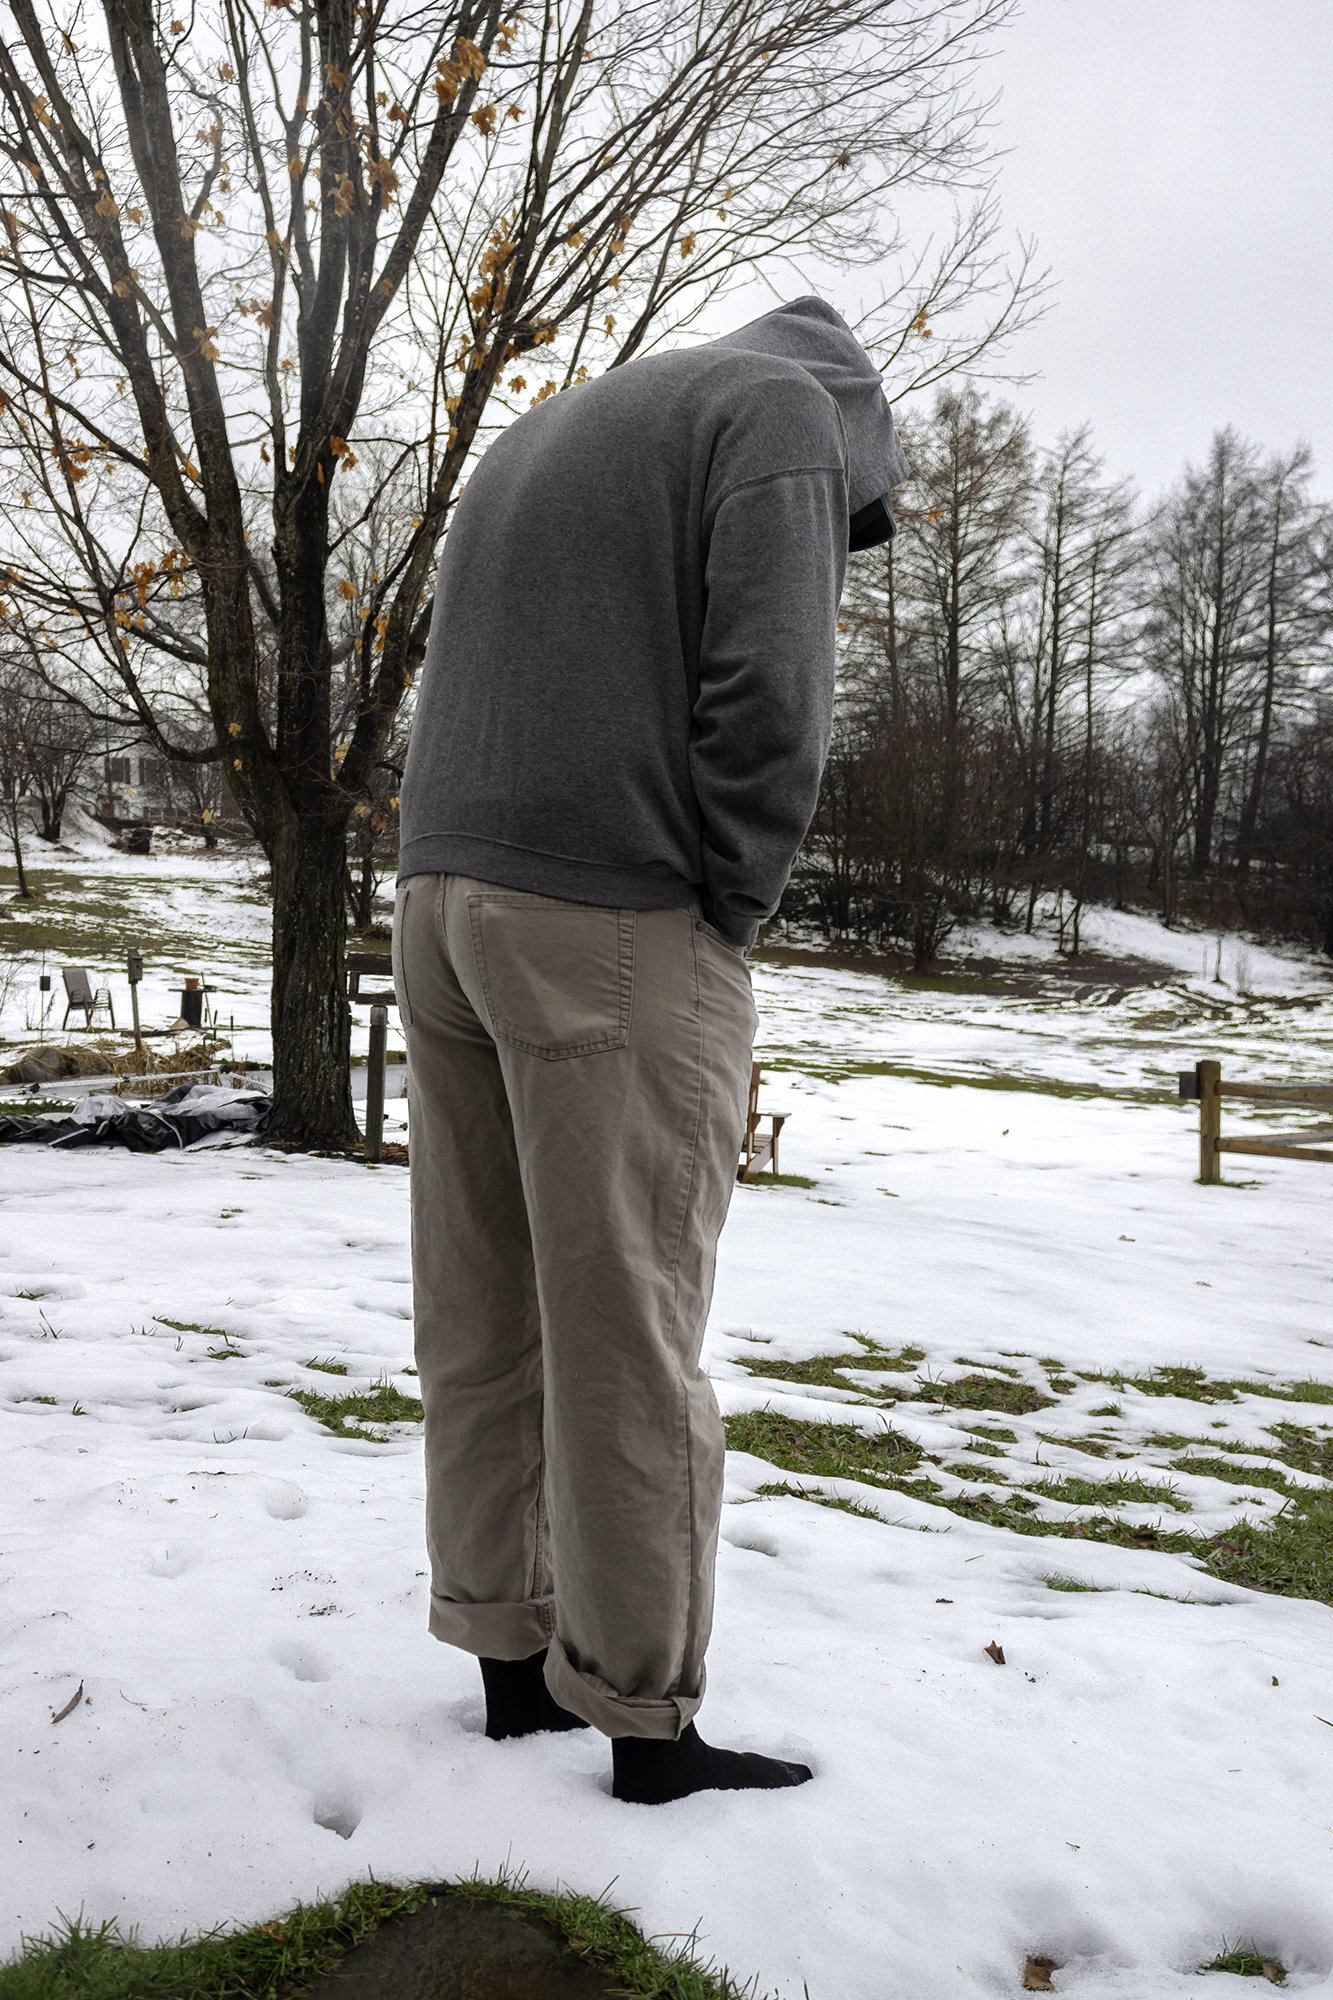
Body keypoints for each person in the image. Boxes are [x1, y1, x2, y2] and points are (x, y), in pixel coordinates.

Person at [395, 295, 908, 1804]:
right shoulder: (786, 415)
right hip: (609, 912)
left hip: (442, 897)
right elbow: (771, 690)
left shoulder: (553, 426)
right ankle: (646, 1730)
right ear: (861, 419)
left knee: (482, 1306)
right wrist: (726, 901)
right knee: (626, 1332)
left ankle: (508, 1662)